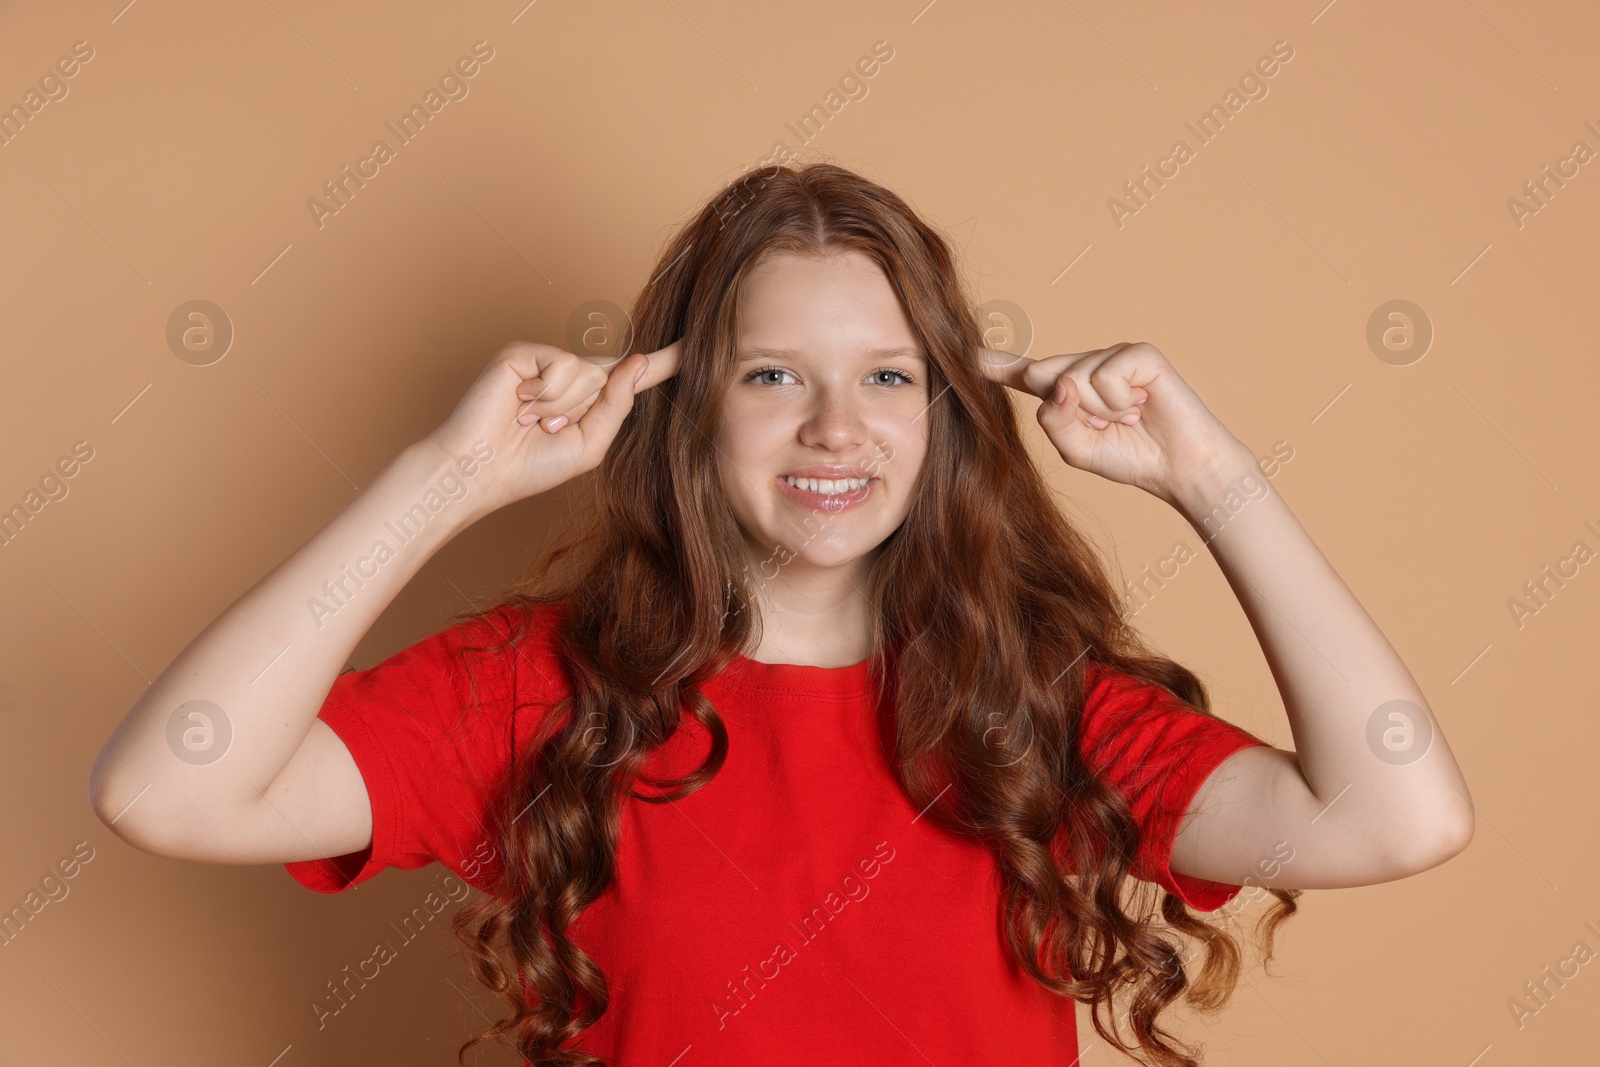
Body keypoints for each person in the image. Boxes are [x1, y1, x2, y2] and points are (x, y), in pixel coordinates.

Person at [89, 162, 1474, 1067]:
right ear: (687, 407)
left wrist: (1214, 481)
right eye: (770, 377)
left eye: (885, 377)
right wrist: (440, 483)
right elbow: (170, 789)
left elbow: (1397, 816)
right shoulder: (541, 685)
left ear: (944, 413)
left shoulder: (1033, 703)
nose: (834, 427)